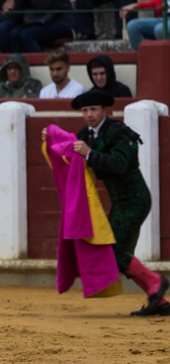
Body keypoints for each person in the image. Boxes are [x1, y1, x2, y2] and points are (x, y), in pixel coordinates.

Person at [40, 90, 169, 315]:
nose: (89, 114)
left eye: (93, 109)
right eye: (85, 110)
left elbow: (120, 163)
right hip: (120, 203)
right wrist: (52, 138)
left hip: (135, 199)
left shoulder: (120, 132)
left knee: (116, 253)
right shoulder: (86, 134)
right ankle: (159, 300)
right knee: (120, 253)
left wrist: (89, 154)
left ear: (105, 110)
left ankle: (157, 282)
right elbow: (70, 152)